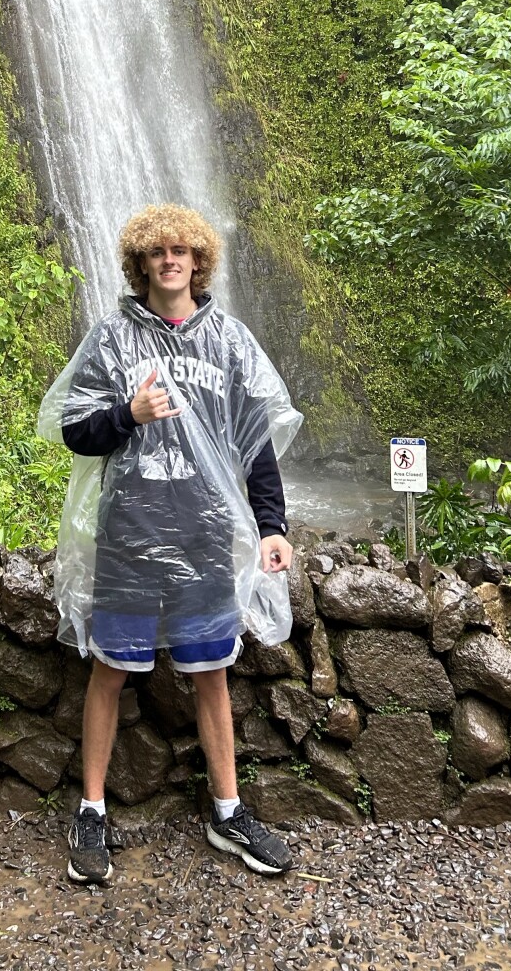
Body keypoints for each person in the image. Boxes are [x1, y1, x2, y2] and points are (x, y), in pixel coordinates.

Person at [37, 203, 303, 884]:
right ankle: (91, 811)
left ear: (199, 260)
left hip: (205, 532)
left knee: (211, 672)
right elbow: (73, 430)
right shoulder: (112, 338)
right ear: (141, 263)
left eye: (181, 250)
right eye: (157, 252)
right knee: (109, 669)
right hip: (131, 530)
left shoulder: (231, 341)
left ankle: (228, 811)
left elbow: (256, 444)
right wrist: (128, 413)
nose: (170, 260)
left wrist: (271, 525)